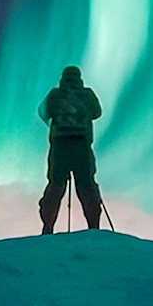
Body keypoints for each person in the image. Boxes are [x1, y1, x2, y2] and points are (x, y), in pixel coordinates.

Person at [38, 65, 103, 233]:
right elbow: (97, 112)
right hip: (82, 147)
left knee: (56, 185)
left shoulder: (55, 94)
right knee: (86, 185)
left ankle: (48, 225)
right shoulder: (87, 94)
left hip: (59, 148)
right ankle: (93, 225)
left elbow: (43, 112)